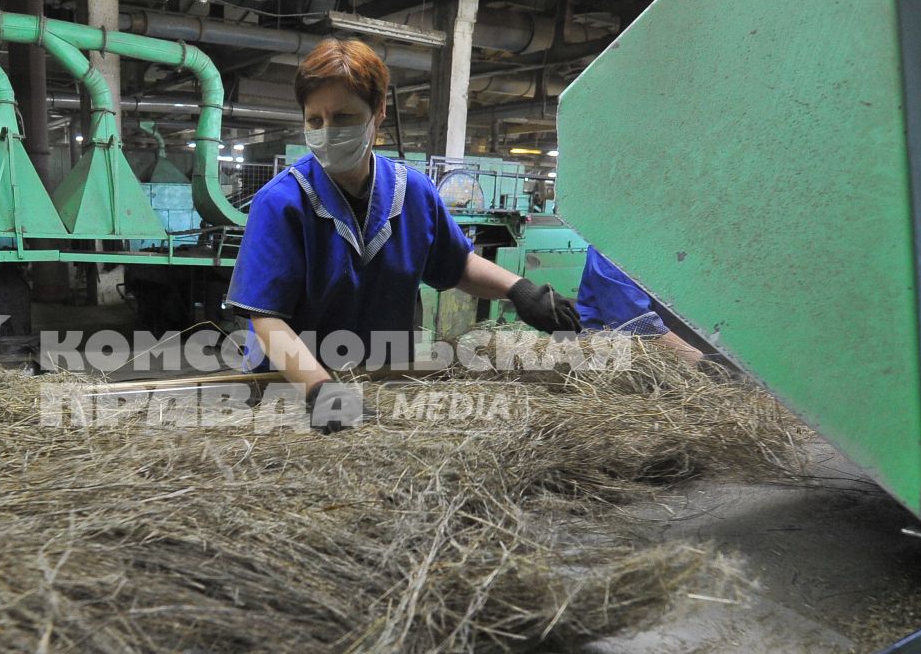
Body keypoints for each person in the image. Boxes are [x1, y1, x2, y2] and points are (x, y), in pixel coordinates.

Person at [224, 38, 697, 435]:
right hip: (291, 387)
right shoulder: (281, 203)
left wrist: (521, 291)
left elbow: (454, 265)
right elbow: (267, 318)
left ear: (378, 113)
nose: (328, 132)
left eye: (345, 118)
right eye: (315, 121)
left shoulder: (411, 192)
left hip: (381, 376)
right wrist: (319, 390)